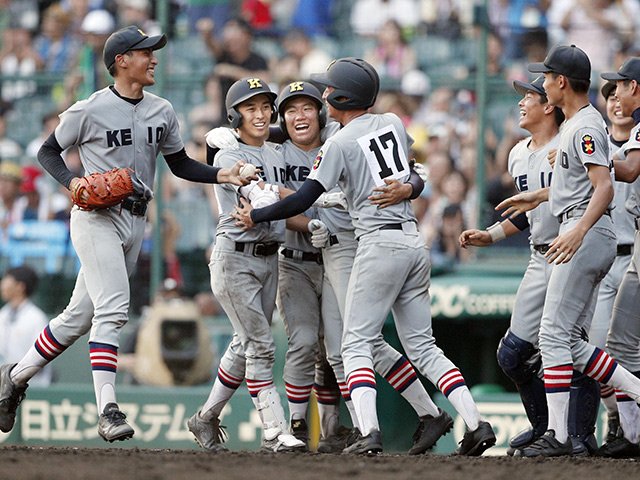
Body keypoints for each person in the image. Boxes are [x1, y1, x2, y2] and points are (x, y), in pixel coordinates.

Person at [233, 57, 496, 456]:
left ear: (340, 96)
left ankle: (368, 432)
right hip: (412, 240)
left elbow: (304, 197)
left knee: (354, 344)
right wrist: (410, 186)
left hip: (373, 244)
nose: (321, 97)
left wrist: (258, 213)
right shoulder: (391, 120)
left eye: (326, 91)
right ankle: (473, 423)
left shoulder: (338, 142)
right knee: (422, 347)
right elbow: (411, 170)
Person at [0, 25, 252, 442]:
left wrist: (223, 173)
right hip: (96, 217)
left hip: (137, 221)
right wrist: (73, 183)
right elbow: (47, 151)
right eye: (145, 52)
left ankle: (15, 380)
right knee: (113, 310)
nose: (154, 58)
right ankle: (108, 410)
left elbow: (182, 165)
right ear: (121, 61)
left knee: (76, 318)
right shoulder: (89, 109)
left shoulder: (162, 109)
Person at [496, 44, 640, 457]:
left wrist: (578, 229)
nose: (541, 84)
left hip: (585, 234)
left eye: (545, 77)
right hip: (582, 228)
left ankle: (558, 435)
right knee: (570, 342)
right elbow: (576, 185)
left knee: (552, 334)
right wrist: (539, 197)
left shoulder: (584, 126)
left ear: (561, 82)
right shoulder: (578, 124)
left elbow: (604, 187)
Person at [460, 75, 605, 456]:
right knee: (512, 354)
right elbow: (529, 210)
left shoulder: (569, 143)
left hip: (571, 250)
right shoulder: (518, 152)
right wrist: (490, 235)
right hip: (538, 255)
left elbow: (594, 189)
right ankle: (545, 427)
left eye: (529, 96)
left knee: (570, 346)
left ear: (549, 105)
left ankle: (578, 434)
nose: (521, 103)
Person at [187, 77, 306, 453]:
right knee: (260, 346)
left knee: (244, 344)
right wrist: (214, 143)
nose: (259, 113)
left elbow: (282, 187)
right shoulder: (226, 153)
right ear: (235, 115)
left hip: (270, 256)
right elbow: (256, 194)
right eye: (249, 108)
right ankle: (274, 431)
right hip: (235, 257)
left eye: (264, 106)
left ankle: (205, 417)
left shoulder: (273, 150)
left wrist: (316, 206)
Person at [588, 80, 636, 451]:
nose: (615, 103)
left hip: (634, 253)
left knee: (626, 348)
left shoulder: (634, 141)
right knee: (599, 350)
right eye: (609, 97)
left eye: (618, 95)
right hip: (605, 261)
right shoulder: (593, 140)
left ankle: (629, 430)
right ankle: (617, 420)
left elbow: (629, 170)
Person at [0, 266, 51, 386]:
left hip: (32, 386)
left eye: (7, 280)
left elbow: (40, 359)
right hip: (5, 387)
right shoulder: (3, 314)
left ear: (20, 286)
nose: (2, 285)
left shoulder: (37, 318)